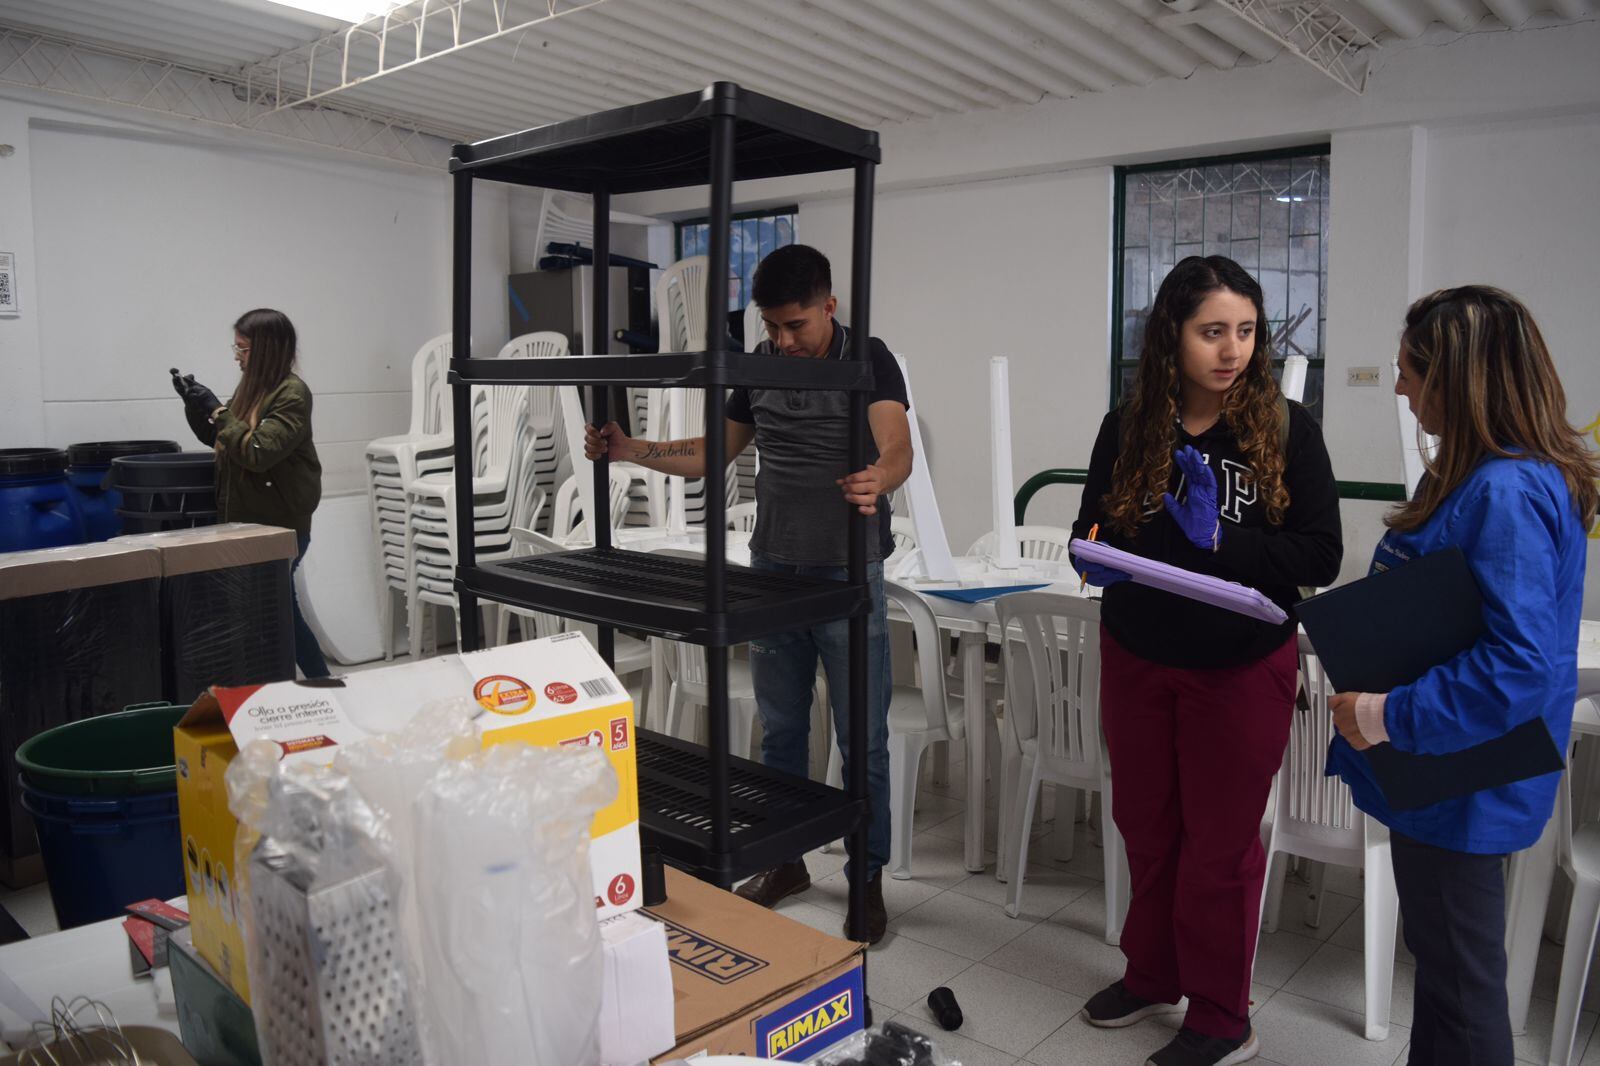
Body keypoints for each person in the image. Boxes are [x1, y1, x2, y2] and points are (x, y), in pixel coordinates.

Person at [584, 244, 912, 942]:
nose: (783, 341)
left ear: (829, 306)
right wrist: (630, 448)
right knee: (780, 729)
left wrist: (879, 477)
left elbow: (897, 444)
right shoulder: (758, 365)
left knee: (863, 742)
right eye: (771, 326)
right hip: (772, 573)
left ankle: (867, 878)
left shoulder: (868, 357)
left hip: (849, 577)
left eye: (796, 325)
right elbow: (712, 453)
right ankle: (783, 859)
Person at [1070, 255, 1343, 1066]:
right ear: (1172, 337)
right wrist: (1093, 554)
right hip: (1138, 653)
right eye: (1212, 331)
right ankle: (1153, 974)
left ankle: (1223, 1015)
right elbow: (1092, 526)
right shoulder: (1129, 427)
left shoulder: (1286, 430)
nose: (1233, 350)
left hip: (1240, 665)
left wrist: (1223, 541)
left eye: (1247, 331)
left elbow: (1321, 555)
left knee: (1219, 846)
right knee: (1146, 827)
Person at [1327, 286, 1596, 1066]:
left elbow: (1517, 664)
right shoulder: (1476, 475)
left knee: (1464, 989)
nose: (1400, 386)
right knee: (1445, 975)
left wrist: (1384, 715)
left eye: (1410, 371)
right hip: (1441, 772)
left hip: (1459, 778)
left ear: (1459, 378)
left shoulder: (1505, 491)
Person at [171, 308, 329, 680]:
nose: (236, 357)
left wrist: (218, 410)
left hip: (279, 525)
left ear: (266, 349)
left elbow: (258, 452)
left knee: (276, 611)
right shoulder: (252, 389)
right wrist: (196, 407)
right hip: (248, 522)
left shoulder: (291, 394)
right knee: (272, 609)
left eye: (242, 349)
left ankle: (321, 682)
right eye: (236, 348)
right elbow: (224, 439)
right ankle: (309, 682)